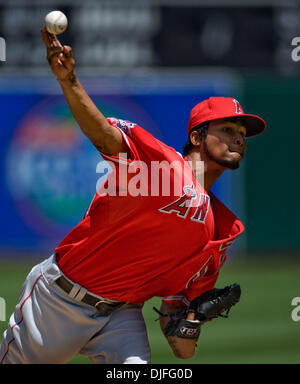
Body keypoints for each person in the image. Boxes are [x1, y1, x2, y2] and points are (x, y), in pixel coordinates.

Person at [0, 27, 266, 364]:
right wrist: (68, 82)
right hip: (59, 300)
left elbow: (181, 347)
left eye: (242, 134)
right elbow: (105, 137)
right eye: (227, 130)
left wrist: (192, 319)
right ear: (198, 138)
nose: (238, 139)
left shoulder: (222, 230)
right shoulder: (164, 168)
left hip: (122, 315)